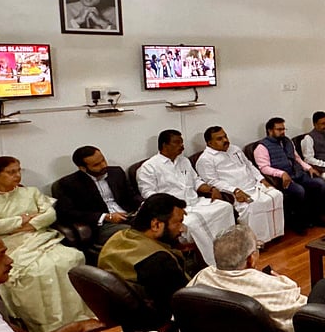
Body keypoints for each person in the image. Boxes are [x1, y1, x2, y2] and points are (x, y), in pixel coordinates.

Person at [0, 157, 93, 332]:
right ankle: (49, 327)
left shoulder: (31, 192)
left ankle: (80, 318)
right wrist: (21, 219)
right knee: (37, 272)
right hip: (6, 244)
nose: (17, 175)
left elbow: (50, 214)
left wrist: (30, 224)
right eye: (11, 172)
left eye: (19, 170)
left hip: (39, 236)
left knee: (71, 259)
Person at [187, 224, 306, 332]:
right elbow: (305, 322)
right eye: (258, 248)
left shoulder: (201, 277)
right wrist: (280, 283)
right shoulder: (270, 286)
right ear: (251, 259)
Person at [136, 129, 235, 266]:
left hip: (196, 202)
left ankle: (229, 251)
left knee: (225, 207)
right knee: (193, 222)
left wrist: (212, 189)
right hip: (173, 210)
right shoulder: (148, 167)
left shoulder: (184, 161)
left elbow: (196, 181)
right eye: (177, 143)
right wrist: (172, 206)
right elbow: (149, 195)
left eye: (182, 142)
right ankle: (211, 261)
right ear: (165, 145)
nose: (182, 146)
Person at [97, 194, 191, 321]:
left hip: (121, 315)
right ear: (156, 225)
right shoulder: (159, 261)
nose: (182, 229)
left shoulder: (118, 237)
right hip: (158, 325)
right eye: (178, 222)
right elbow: (186, 305)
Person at [196, 126, 285, 246]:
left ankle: (275, 234)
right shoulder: (205, 159)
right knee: (254, 205)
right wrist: (235, 190)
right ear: (209, 143)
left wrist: (262, 179)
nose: (225, 140)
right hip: (236, 192)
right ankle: (255, 242)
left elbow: (249, 165)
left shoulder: (235, 149)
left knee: (276, 195)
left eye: (225, 136)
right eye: (219, 139)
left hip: (254, 185)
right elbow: (212, 182)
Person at [254, 117, 325, 233]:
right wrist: (281, 173)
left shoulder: (287, 142)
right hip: (282, 179)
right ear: (270, 130)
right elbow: (264, 168)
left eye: (284, 129)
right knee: (299, 191)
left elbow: (297, 158)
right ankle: (297, 223)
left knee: (321, 184)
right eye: (279, 129)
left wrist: (309, 168)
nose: (283, 132)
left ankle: (315, 217)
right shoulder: (261, 147)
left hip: (298, 173)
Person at [54, 146, 141, 245]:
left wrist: (145, 203)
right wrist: (105, 217)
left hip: (129, 215)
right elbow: (67, 213)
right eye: (96, 165)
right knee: (136, 233)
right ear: (82, 168)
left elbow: (132, 196)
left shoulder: (116, 172)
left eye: (103, 160)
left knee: (158, 225)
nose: (103, 165)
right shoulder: (69, 184)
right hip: (103, 226)